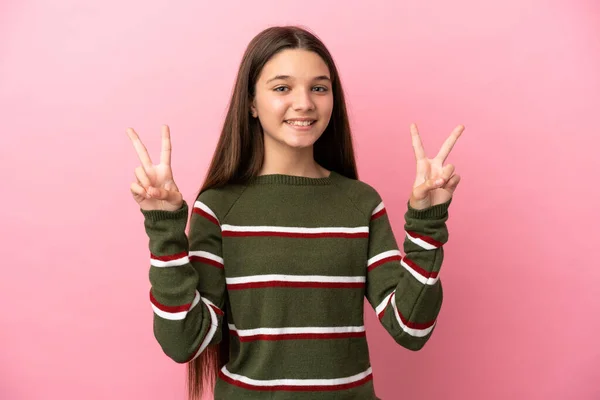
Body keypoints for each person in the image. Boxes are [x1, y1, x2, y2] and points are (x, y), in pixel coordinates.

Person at [127, 25, 463, 400]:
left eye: (319, 88)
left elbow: (411, 328)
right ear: (251, 103)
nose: (304, 103)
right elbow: (183, 342)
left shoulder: (361, 203)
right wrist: (165, 231)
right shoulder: (219, 206)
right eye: (282, 88)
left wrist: (428, 223)